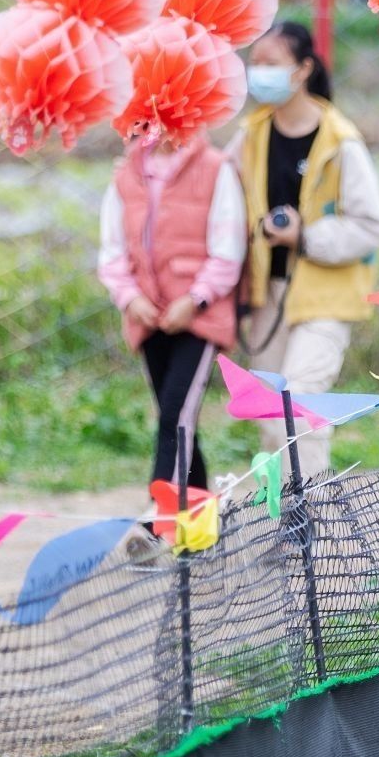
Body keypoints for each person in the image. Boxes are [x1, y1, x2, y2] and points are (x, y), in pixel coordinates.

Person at [231, 22, 379, 478]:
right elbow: (222, 200)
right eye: (254, 63)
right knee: (268, 413)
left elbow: (370, 225)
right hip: (268, 294)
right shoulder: (251, 135)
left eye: (270, 64)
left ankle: (307, 522)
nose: (258, 74)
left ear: (302, 70)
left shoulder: (341, 141)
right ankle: (280, 522)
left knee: (300, 403)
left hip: (325, 295)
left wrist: (307, 237)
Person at [96, 128, 245, 528]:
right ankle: (202, 522)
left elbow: (228, 248)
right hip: (148, 316)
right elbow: (112, 250)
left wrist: (196, 299)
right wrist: (130, 298)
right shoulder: (126, 174)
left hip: (199, 316)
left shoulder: (216, 169)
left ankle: (156, 515)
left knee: (176, 413)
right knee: (176, 416)